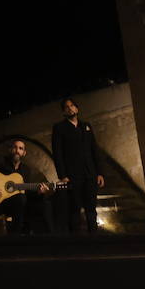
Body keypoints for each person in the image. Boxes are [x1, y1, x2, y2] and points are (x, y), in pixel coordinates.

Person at [0, 138, 53, 235]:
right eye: (15, 147)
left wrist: (39, 193)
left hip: (18, 204)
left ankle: (47, 239)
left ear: (24, 153)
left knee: (45, 204)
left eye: (20, 148)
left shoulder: (26, 170)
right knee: (21, 198)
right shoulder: (0, 161)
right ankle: (15, 237)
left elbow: (25, 191)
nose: (17, 150)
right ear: (10, 150)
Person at [51, 98, 105, 233]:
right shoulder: (59, 128)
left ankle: (95, 239)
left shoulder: (86, 126)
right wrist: (62, 175)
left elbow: (94, 150)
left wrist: (99, 172)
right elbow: (57, 153)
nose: (70, 108)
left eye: (72, 106)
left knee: (91, 208)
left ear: (77, 109)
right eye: (67, 107)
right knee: (74, 209)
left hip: (90, 173)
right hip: (72, 175)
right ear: (64, 111)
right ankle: (76, 243)